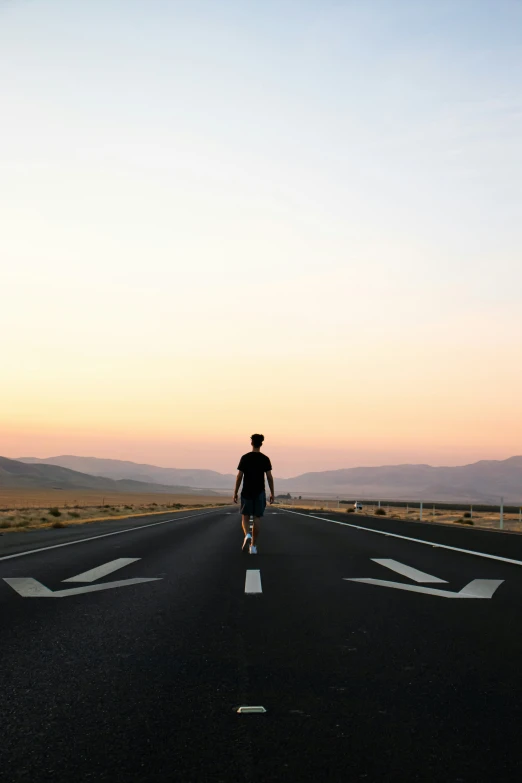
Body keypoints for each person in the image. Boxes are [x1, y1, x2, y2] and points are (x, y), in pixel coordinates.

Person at [233, 433, 274, 554]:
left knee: (245, 516)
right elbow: (269, 477)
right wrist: (272, 493)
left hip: (246, 491)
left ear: (251, 443)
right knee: (257, 517)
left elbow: (239, 476)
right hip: (259, 492)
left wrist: (235, 492)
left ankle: (247, 535)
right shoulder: (265, 459)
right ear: (261, 444)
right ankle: (253, 546)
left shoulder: (245, 458)